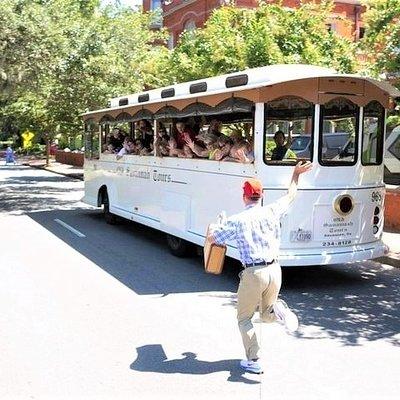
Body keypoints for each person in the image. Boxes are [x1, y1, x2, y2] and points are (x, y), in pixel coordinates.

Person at [209, 161, 313, 374]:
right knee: (266, 315)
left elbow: (213, 237)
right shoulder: (272, 211)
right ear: (261, 195)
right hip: (275, 270)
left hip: (254, 273)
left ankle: (253, 359)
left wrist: (218, 223)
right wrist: (295, 174)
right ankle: (279, 310)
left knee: (244, 317)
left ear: (244, 197)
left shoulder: (237, 221)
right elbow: (291, 195)